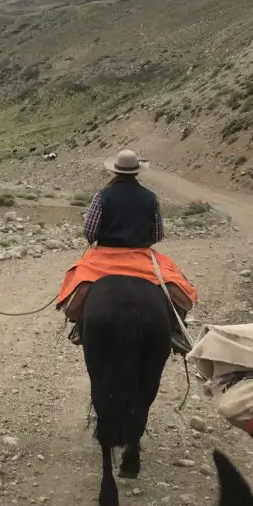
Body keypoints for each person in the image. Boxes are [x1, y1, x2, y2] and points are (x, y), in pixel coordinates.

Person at [58, 149, 196, 355]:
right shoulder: (150, 197)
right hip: (142, 256)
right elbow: (158, 234)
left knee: (77, 283)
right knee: (177, 286)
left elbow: (90, 232)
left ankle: (79, 325)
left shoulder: (102, 196)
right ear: (136, 172)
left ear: (115, 171)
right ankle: (176, 330)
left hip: (104, 255)